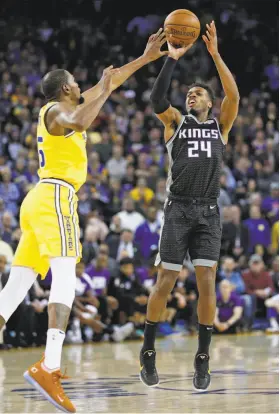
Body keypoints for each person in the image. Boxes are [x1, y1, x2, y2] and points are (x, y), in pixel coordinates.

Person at [0, 29, 168, 413]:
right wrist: (106, 91)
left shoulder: (66, 106)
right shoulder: (57, 111)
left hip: (42, 199)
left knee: (17, 286)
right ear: (64, 89)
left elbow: (109, 81)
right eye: (77, 83)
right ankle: (50, 366)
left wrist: (145, 58)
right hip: (55, 198)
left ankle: (49, 364)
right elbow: (82, 118)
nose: (82, 85)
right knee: (65, 277)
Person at [139, 21, 240, 392]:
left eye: (198, 93)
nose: (191, 96)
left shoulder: (220, 126)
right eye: (189, 93)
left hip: (208, 211)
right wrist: (172, 60)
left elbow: (235, 95)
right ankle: (147, 350)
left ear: (210, 103)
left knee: (207, 282)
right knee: (166, 280)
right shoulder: (176, 124)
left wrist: (215, 55)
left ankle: (202, 358)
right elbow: (156, 101)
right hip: (178, 208)